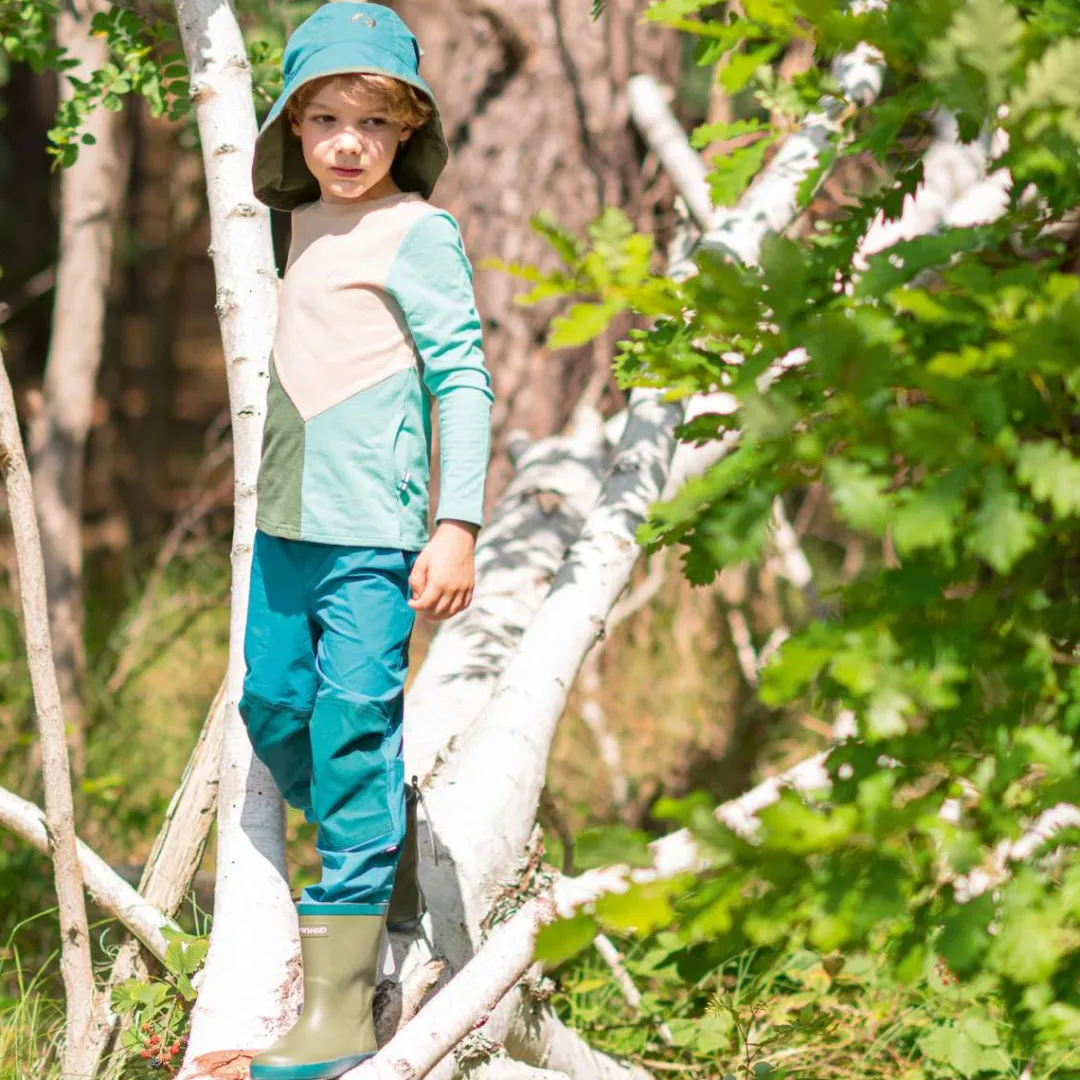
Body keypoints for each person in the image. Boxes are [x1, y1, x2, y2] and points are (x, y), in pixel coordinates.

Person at [239, 3, 493, 1076]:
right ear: (292, 130)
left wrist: (456, 523)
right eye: (325, 120)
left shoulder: (419, 233)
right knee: (274, 703)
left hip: (373, 539)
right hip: (283, 524)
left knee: (348, 727)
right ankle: (377, 839)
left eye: (372, 125)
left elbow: (462, 379)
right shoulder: (289, 225)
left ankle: (340, 1009)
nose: (348, 144)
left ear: (406, 136)